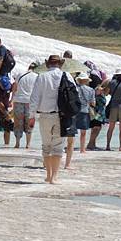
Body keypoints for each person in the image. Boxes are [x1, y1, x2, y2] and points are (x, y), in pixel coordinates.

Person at [28, 55, 75, 184]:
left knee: (46, 146)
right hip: (62, 116)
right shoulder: (67, 76)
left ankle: (48, 175)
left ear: (48, 64)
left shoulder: (41, 77)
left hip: (45, 115)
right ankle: (55, 176)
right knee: (58, 146)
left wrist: (31, 116)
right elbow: (74, 96)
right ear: (60, 64)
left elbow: (34, 98)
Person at [11, 62, 38, 149]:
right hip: (30, 102)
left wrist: (12, 99)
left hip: (18, 100)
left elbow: (14, 87)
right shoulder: (36, 76)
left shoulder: (20, 74)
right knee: (29, 122)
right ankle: (28, 144)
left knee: (18, 123)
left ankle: (17, 143)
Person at [106, 69, 121, 151]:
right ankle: (120, 146)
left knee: (111, 127)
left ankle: (108, 145)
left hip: (113, 106)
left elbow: (107, 93)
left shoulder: (112, 83)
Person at [75, 72, 95, 154]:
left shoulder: (74, 88)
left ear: (78, 80)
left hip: (75, 111)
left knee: (71, 131)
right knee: (83, 132)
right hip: (84, 111)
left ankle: (68, 147)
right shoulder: (91, 90)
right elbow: (93, 103)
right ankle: (82, 149)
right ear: (86, 80)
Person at [87, 80, 109, 150]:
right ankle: (90, 144)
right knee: (96, 129)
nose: (101, 91)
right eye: (99, 90)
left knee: (95, 129)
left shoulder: (99, 96)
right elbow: (95, 106)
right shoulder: (97, 97)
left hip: (99, 115)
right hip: (97, 115)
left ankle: (92, 144)